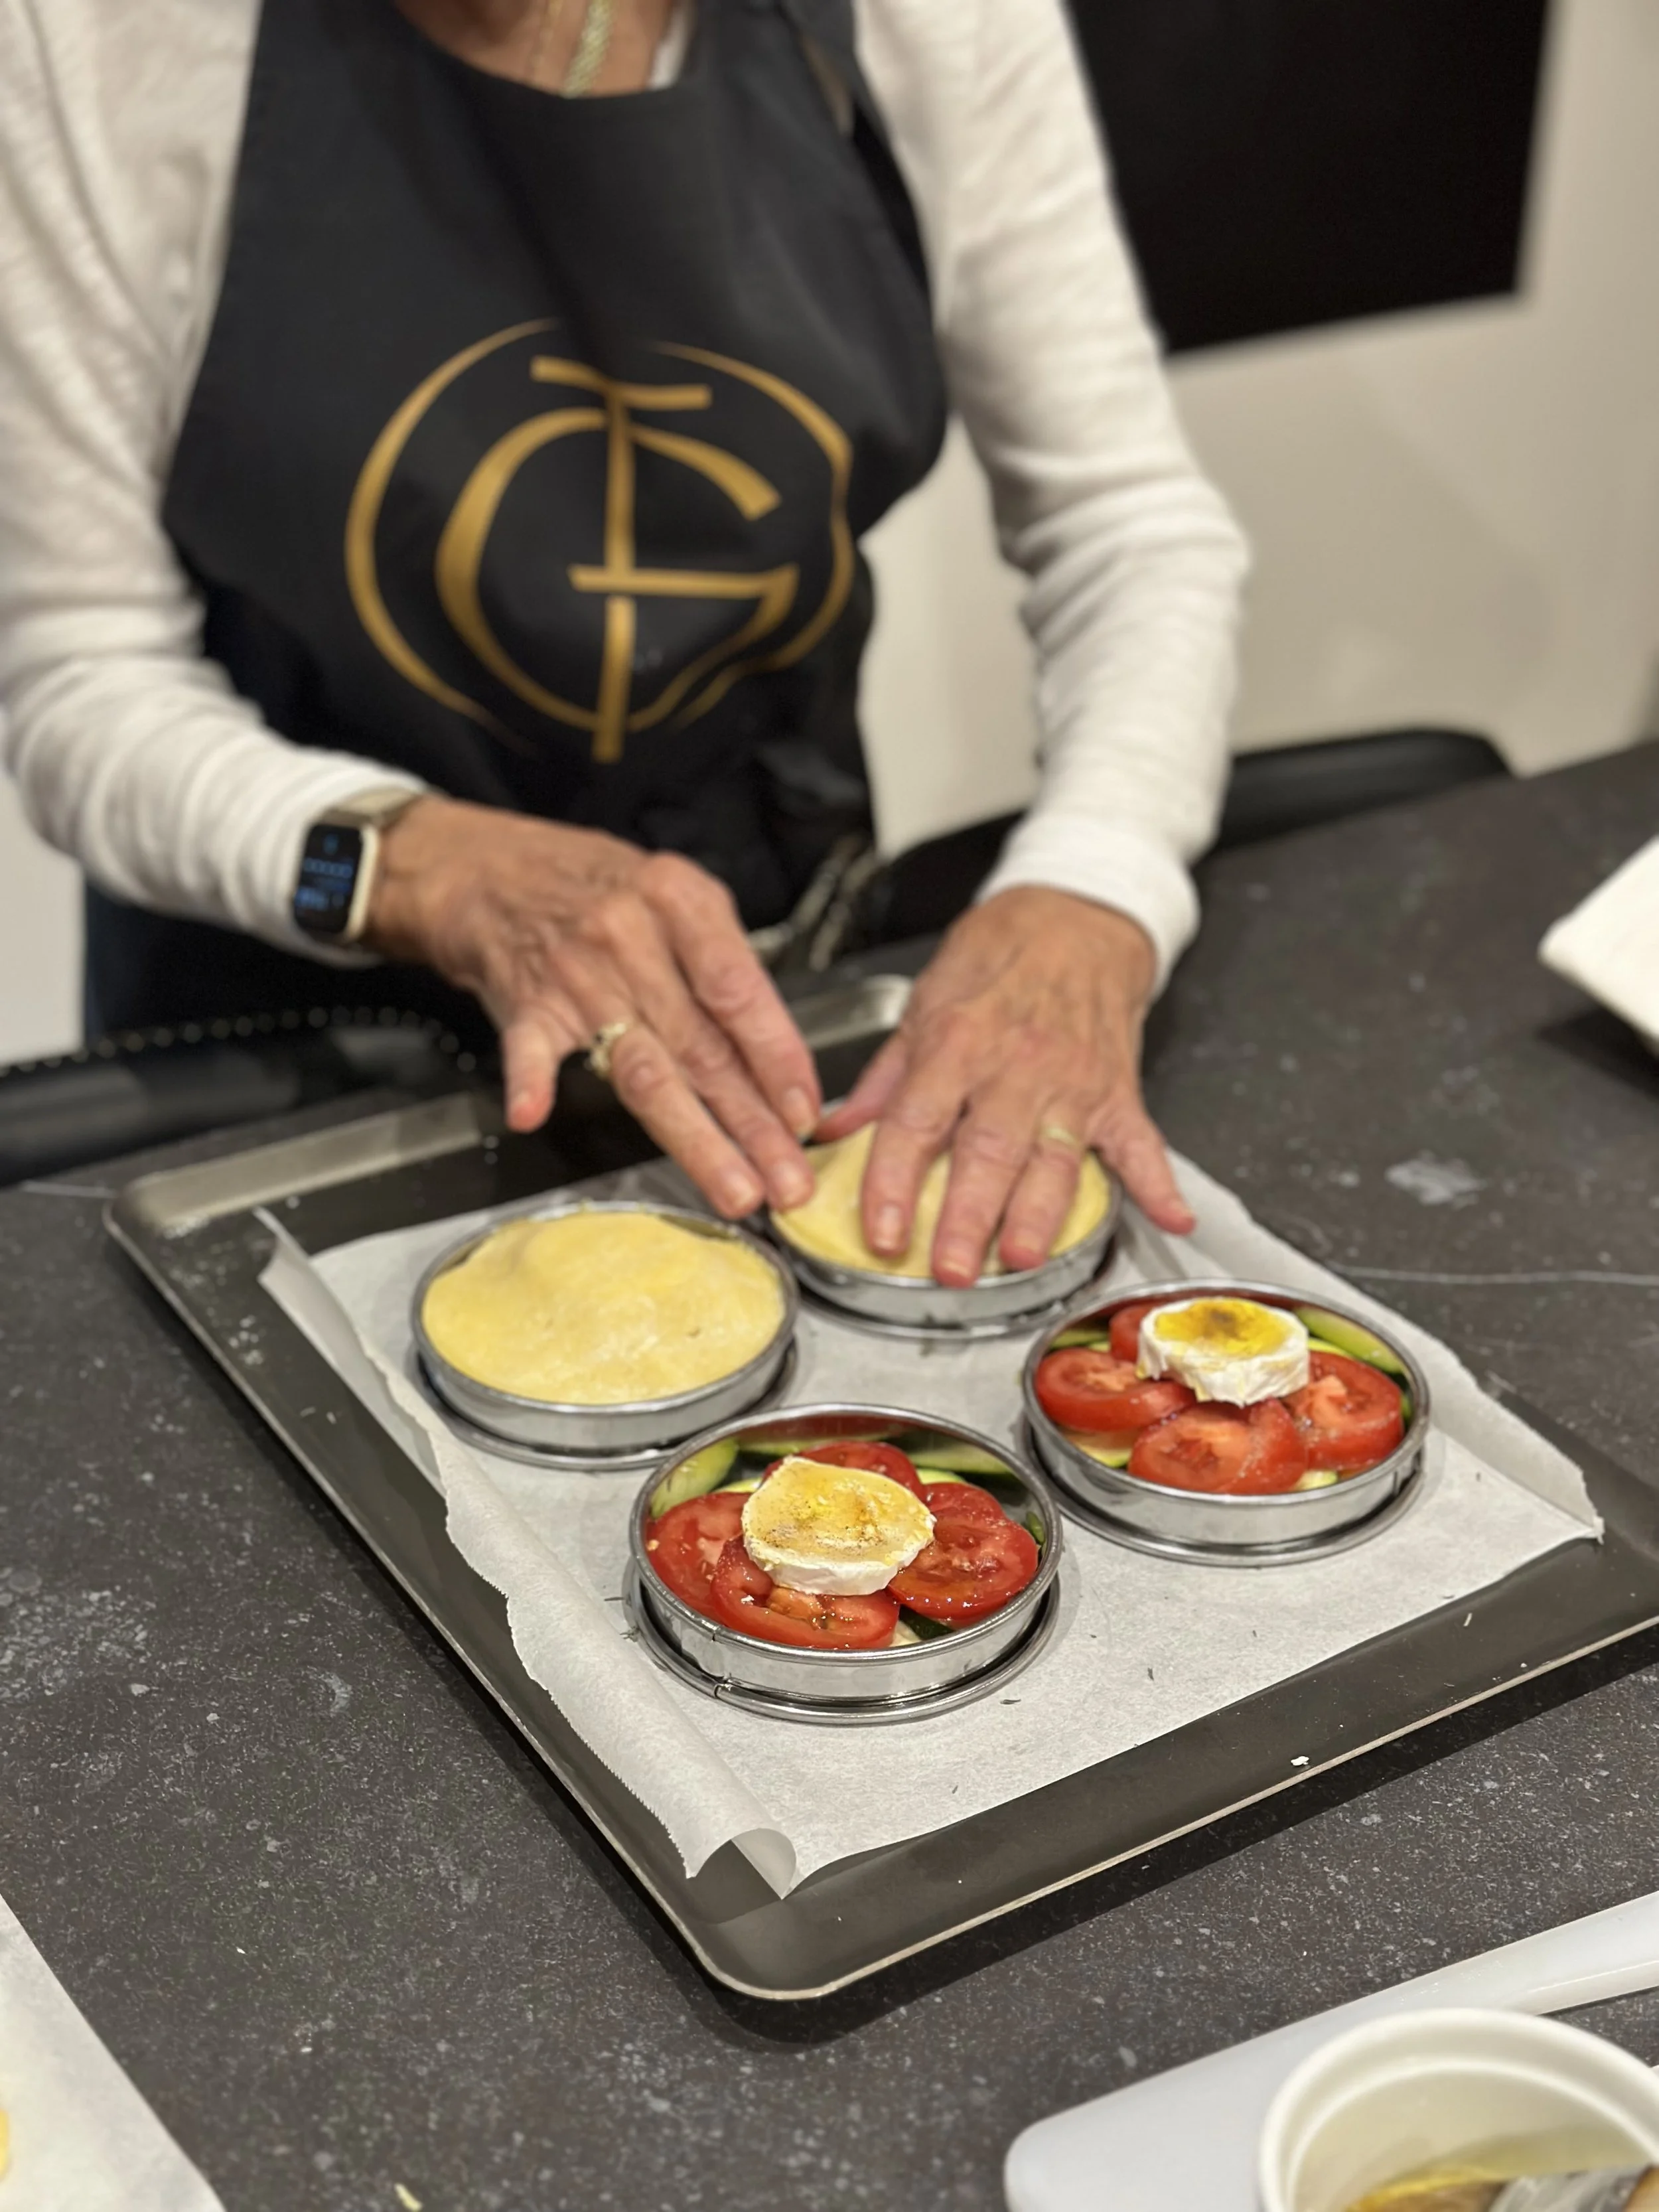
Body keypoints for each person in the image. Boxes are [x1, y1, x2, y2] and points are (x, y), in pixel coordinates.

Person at [0, 0, 1246, 1284]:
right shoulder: (92, 38)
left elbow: (1126, 525)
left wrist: (1096, 886)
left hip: (770, 1004)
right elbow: (82, 671)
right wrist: (420, 869)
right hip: (299, 1048)